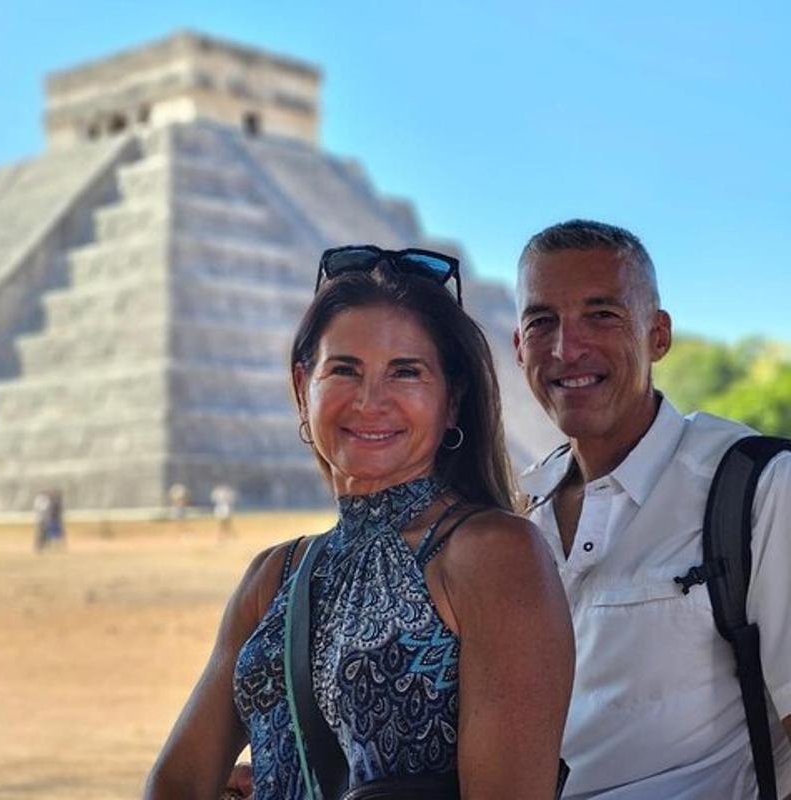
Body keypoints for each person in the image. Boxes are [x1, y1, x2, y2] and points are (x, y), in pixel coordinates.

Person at [146, 246, 574, 799]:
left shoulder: (492, 554)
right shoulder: (273, 577)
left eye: (406, 372)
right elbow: (175, 782)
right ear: (304, 389)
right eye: (344, 370)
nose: (371, 401)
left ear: (452, 401)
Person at [513, 219, 791, 798]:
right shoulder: (515, 520)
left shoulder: (758, 490)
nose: (567, 348)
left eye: (602, 315)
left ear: (657, 335)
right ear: (518, 347)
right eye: (542, 322)